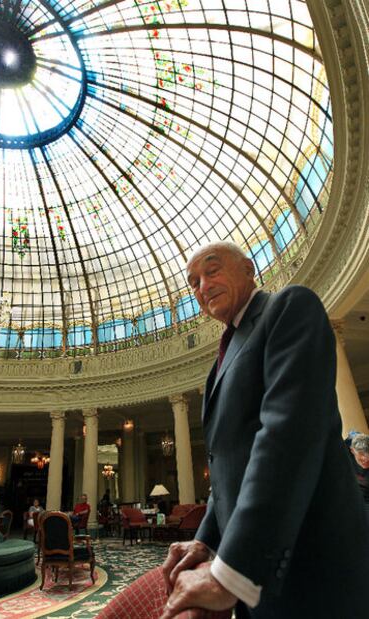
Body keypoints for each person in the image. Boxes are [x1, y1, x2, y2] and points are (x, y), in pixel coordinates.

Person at [161, 241, 369, 619]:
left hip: (313, 568)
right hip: (258, 579)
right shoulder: (217, 368)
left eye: (212, 270)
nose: (202, 287)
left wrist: (229, 574)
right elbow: (230, 466)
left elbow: (287, 435)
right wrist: (206, 541)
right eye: (193, 282)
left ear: (248, 269)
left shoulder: (288, 307)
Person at [348, 433, 369, 524]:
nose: (364, 460)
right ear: (352, 451)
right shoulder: (347, 453)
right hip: (350, 495)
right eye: (360, 459)